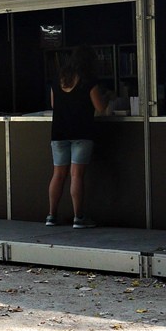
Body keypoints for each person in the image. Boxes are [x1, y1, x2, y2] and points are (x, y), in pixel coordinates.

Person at [46, 46, 109, 228]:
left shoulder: (58, 80)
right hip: (82, 132)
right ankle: (79, 217)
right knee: (76, 175)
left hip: (59, 132)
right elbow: (100, 107)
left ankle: (51, 216)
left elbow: (53, 104)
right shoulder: (89, 81)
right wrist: (107, 97)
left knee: (58, 174)